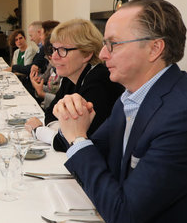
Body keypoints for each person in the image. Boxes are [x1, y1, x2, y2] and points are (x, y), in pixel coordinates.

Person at [52, 0, 187, 223]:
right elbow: (90, 154)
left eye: (114, 44)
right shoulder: (131, 96)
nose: (103, 53)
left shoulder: (186, 113)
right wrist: (73, 122)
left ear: (154, 48)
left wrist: (78, 137)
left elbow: (123, 215)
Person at [25, 18, 124, 151]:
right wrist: (61, 129)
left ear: (87, 53)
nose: (54, 57)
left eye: (63, 50)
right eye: (54, 49)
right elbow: (51, 114)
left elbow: (76, 141)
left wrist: (38, 131)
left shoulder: (99, 81)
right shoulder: (71, 76)